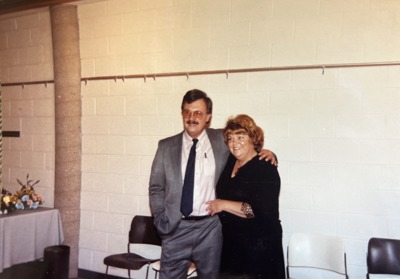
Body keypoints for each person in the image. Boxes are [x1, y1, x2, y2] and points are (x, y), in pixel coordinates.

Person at [149, 89, 277, 279]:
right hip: (175, 228)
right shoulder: (166, 146)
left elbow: (246, 144)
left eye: (198, 113)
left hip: (210, 229)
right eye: (187, 111)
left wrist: (269, 153)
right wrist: (161, 220)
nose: (192, 117)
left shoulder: (220, 140)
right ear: (182, 113)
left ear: (208, 117)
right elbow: (156, 187)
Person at [206, 114, 285, 279]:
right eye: (230, 138)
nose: (235, 143)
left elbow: (255, 210)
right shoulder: (229, 161)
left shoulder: (265, 168)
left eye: (241, 137)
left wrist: (222, 204)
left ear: (253, 138)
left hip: (259, 249)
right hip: (232, 245)